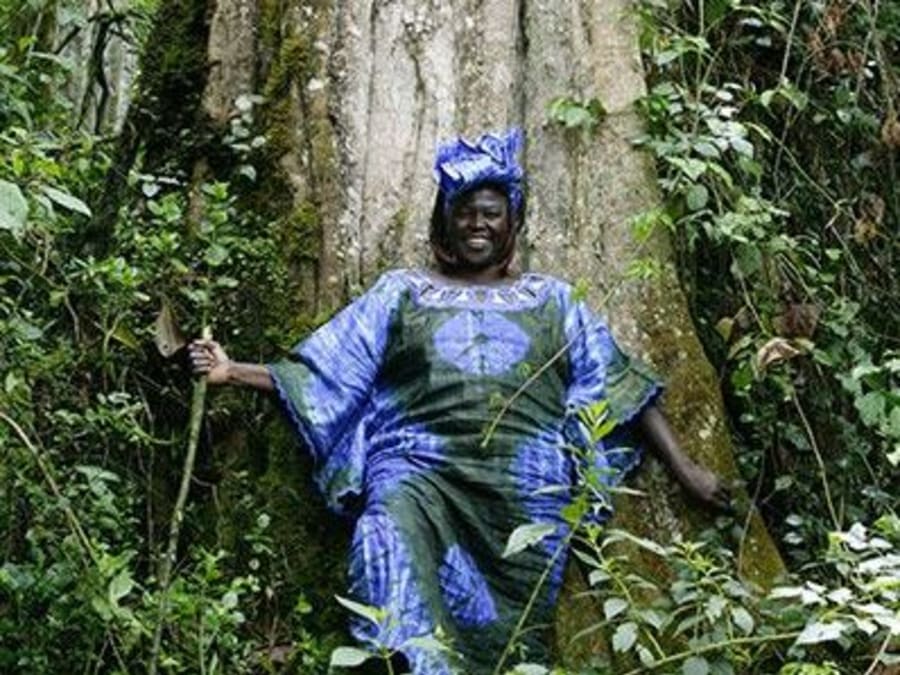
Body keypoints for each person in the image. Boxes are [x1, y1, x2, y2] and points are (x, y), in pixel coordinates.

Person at [189, 128, 731, 674]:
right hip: (417, 475)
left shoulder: (554, 300)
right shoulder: (401, 292)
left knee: (512, 635)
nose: (477, 223)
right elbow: (329, 372)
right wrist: (232, 371)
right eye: (464, 211)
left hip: (522, 490)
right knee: (382, 536)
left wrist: (686, 471)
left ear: (513, 222)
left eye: (491, 212)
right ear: (444, 219)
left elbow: (619, 387)